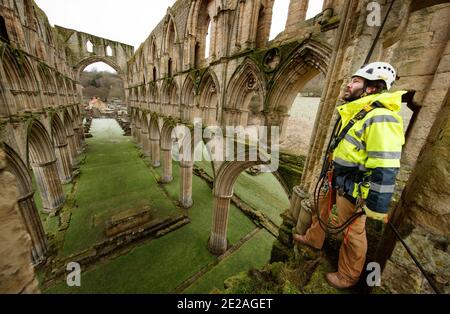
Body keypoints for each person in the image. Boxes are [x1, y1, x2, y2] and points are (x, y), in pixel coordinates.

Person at [293, 62, 406, 289]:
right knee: (320, 208)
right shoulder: (358, 111)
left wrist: (375, 205)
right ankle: (314, 239)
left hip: (355, 186)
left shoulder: (381, 118)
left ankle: (348, 275)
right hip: (337, 176)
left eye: (355, 81)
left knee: (353, 232)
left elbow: (385, 166)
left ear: (372, 88)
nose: (348, 84)